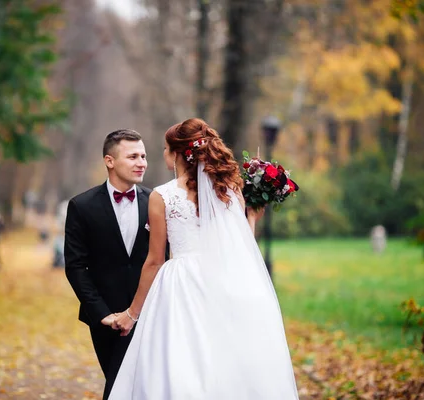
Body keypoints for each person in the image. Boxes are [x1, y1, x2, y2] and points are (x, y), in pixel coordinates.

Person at [109, 118, 299, 399]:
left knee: (181, 362)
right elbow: (241, 246)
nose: (161, 154)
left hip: (180, 287)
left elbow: (154, 261)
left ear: (178, 153)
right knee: (223, 359)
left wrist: (132, 314)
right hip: (223, 280)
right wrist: (253, 220)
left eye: (164, 148)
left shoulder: (162, 196)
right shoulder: (230, 190)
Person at [65, 129, 165, 399]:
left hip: (149, 313)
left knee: (133, 387)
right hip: (106, 319)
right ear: (110, 161)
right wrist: (101, 313)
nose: (141, 162)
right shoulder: (81, 206)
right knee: (119, 380)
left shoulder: (157, 201)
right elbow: (75, 266)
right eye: (133, 156)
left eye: (143, 156)